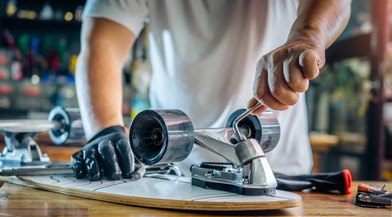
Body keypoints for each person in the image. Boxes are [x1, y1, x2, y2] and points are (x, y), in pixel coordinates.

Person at [71, 0, 352, 181]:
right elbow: (102, 46)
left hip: (276, 175)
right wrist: (105, 130)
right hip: (174, 176)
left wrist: (308, 36)